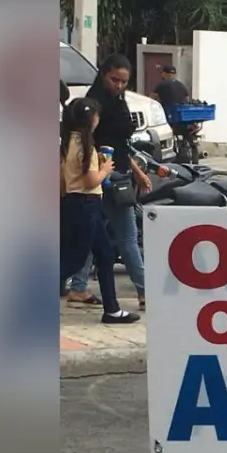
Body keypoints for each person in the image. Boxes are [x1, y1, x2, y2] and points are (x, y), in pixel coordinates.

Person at [65, 54, 152, 310]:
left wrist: (136, 171)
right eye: (115, 80)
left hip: (112, 173)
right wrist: (107, 171)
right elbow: (99, 148)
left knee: (95, 237)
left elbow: (120, 146)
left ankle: (79, 287)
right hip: (108, 177)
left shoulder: (115, 100)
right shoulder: (96, 106)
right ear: (104, 74)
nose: (119, 85)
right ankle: (145, 292)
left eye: (124, 82)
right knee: (127, 237)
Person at [59, 98, 140, 325]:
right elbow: (90, 180)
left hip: (76, 203)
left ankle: (112, 309)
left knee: (104, 254)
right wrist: (105, 169)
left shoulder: (67, 143)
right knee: (73, 261)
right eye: (96, 116)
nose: (98, 119)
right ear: (90, 119)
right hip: (87, 203)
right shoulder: (86, 148)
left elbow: (61, 180)